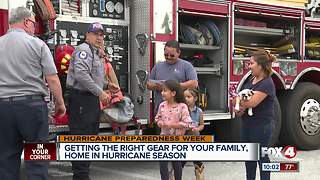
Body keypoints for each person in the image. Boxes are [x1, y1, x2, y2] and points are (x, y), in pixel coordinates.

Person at [0, 7, 66, 180]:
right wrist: (60, 103)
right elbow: (52, 78)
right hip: (32, 107)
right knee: (38, 157)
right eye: (33, 23)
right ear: (27, 22)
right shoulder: (37, 44)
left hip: (3, 108)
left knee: (6, 158)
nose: (34, 28)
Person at [66, 22, 116, 180]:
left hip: (91, 100)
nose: (99, 37)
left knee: (90, 137)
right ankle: (81, 176)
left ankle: (83, 174)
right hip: (81, 99)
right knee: (82, 139)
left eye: (101, 35)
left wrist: (108, 85)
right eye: (95, 34)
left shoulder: (96, 53)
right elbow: (81, 76)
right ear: (87, 35)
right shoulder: (83, 50)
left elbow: (93, 77)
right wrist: (101, 93)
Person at [234, 50, 276, 180]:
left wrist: (237, 102)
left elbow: (251, 102)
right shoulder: (252, 79)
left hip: (261, 126)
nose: (249, 66)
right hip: (247, 124)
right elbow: (242, 101)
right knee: (249, 157)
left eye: (251, 63)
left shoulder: (267, 83)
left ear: (261, 65)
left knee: (261, 156)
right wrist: (239, 110)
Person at [147, 40, 198, 113]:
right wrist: (158, 86)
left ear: (179, 53)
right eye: (166, 55)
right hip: (161, 111)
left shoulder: (187, 66)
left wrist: (174, 87)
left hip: (180, 111)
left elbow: (194, 83)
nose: (169, 57)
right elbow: (149, 84)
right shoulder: (157, 66)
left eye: (172, 55)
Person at [155, 80, 193, 180]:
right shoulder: (162, 105)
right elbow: (157, 118)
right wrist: (160, 123)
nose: (162, 93)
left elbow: (188, 123)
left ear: (173, 93)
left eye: (164, 91)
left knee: (176, 163)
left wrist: (173, 125)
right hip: (163, 139)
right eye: (162, 91)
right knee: (162, 164)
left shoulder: (182, 107)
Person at [182, 88, 205, 180]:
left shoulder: (199, 111)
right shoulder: (182, 110)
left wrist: (197, 129)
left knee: (198, 161)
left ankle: (200, 176)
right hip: (184, 140)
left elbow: (202, 125)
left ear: (195, 98)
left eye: (188, 97)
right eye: (184, 97)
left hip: (196, 140)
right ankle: (175, 175)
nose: (186, 99)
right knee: (181, 161)